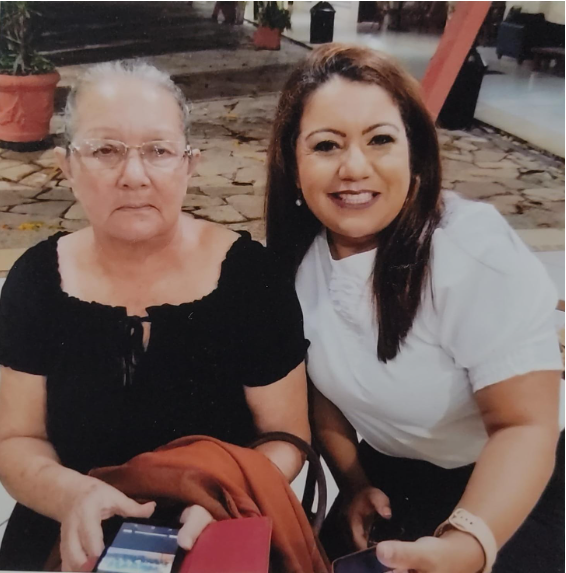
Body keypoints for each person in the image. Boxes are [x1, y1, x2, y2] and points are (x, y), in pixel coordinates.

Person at [0, 61, 310, 571]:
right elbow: (17, 438)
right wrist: (71, 496)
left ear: (189, 164)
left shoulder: (251, 278)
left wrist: (224, 502)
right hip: (68, 528)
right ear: (67, 164)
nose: (133, 176)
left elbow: (286, 437)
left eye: (158, 151)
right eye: (105, 150)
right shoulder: (36, 281)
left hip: (220, 529)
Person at [265, 44, 564, 573]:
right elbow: (320, 386)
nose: (354, 167)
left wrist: (466, 545)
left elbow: (523, 425)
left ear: (415, 152)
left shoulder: (469, 252)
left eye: (380, 140)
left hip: (516, 484)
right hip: (395, 476)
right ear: (292, 161)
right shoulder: (298, 257)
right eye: (326, 145)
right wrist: (355, 484)